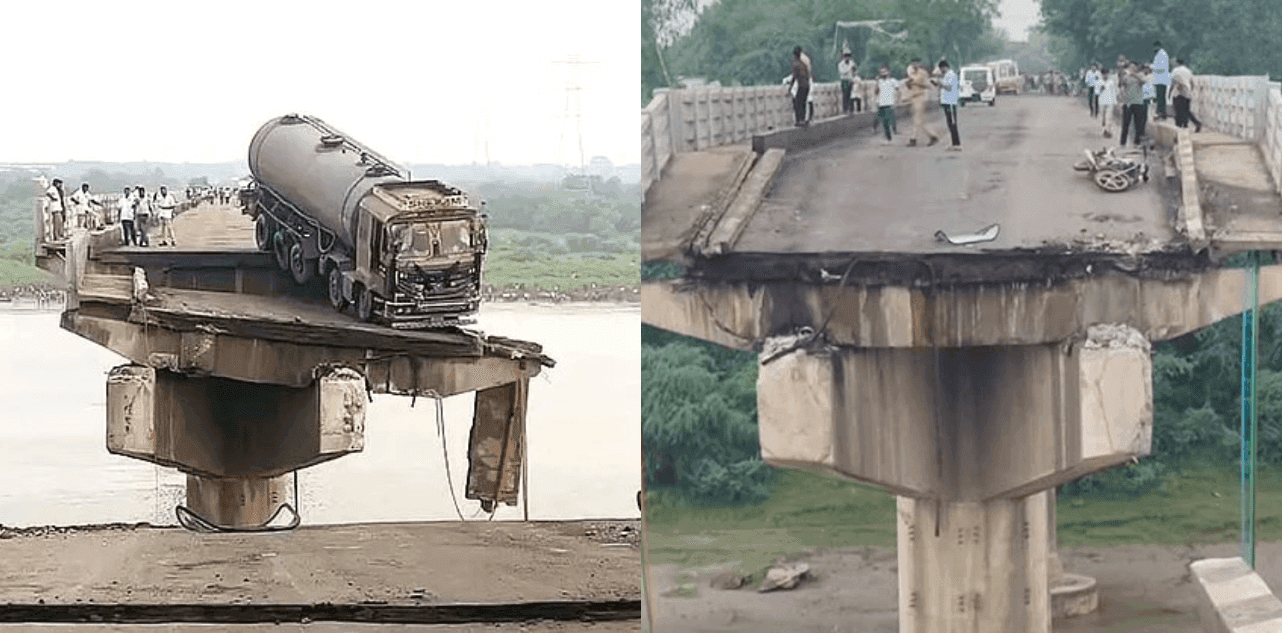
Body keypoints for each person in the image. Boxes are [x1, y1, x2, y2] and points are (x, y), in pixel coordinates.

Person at [904, 59, 940, 147]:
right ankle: (932, 137)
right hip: (913, 97)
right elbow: (910, 84)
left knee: (918, 120)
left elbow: (919, 82)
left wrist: (911, 80)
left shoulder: (922, 73)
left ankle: (914, 139)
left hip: (921, 97)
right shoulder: (912, 72)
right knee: (919, 121)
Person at [1119, 61, 1147, 147]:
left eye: (1134, 67)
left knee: (1138, 124)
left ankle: (1137, 142)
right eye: (1131, 67)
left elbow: (1143, 82)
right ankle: (1123, 143)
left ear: (1137, 67)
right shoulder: (1126, 77)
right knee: (1125, 123)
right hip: (1128, 103)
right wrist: (1123, 98)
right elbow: (1121, 86)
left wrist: (1134, 74)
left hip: (1138, 102)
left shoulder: (1140, 75)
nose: (1132, 68)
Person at [1170, 58, 1203, 132]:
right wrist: (1190, 91)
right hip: (1187, 93)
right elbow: (1192, 83)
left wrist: (1170, 92)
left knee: (1178, 110)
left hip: (1179, 93)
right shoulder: (1188, 70)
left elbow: (1173, 83)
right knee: (1186, 110)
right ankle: (1191, 124)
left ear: (1176, 63)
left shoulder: (1175, 71)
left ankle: (1179, 127)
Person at [937, 59, 961, 151]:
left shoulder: (951, 75)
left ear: (945, 67)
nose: (941, 70)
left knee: (953, 123)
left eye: (941, 68)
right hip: (946, 102)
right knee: (950, 123)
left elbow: (949, 87)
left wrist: (940, 83)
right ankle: (954, 143)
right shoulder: (946, 75)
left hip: (950, 102)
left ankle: (956, 144)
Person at [874, 64, 899, 145]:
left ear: (888, 72)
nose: (883, 73)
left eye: (884, 71)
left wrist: (897, 100)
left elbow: (898, 90)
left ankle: (889, 137)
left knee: (888, 120)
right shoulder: (880, 81)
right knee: (883, 122)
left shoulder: (892, 81)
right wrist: (877, 83)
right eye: (881, 72)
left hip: (889, 103)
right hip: (881, 103)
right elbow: (876, 92)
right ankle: (888, 137)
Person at [789, 46, 811, 126]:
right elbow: (808, 75)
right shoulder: (804, 64)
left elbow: (794, 77)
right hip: (807, 85)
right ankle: (803, 119)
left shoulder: (796, 64)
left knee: (798, 103)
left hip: (801, 85)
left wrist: (790, 87)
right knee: (803, 103)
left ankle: (799, 120)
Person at [1152, 41, 1170, 120]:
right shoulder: (1159, 54)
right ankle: (1161, 113)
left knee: (1161, 98)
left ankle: (1162, 114)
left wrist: (1151, 67)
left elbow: (1162, 68)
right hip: (1159, 79)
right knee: (1160, 98)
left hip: (1161, 79)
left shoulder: (1162, 55)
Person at [838, 47, 859, 114]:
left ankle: (851, 109)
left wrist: (854, 73)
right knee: (845, 95)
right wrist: (849, 68)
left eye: (848, 56)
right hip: (844, 80)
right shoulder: (841, 64)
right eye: (846, 56)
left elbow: (854, 71)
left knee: (850, 95)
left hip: (850, 80)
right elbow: (843, 72)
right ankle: (845, 109)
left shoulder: (852, 63)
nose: (847, 58)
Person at [1097, 67, 1117, 138]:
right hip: (1102, 101)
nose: (1105, 76)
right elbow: (1096, 92)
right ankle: (1103, 129)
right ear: (1102, 74)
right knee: (1103, 117)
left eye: (1106, 74)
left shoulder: (1111, 82)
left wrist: (1115, 101)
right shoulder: (1099, 82)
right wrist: (1101, 89)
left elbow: (1113, 92)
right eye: (1103, 74)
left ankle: (1107, 131)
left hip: (1110, 101)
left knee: (1109, 117)